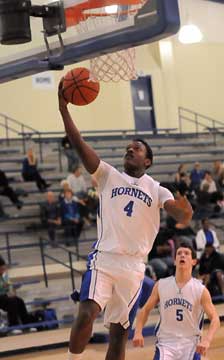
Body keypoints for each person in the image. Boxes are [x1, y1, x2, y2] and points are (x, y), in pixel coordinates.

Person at [58, 80, 193, 360]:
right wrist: (63, 109)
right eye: (128, 148)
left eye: (137, 149)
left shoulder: (157, 189)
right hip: (105, 258)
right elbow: (78, 143)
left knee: (119, 334)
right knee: (87, 314)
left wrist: (185, 212)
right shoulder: (107, 175)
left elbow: (178, 214)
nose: (130, 150)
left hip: (133, 266)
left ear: (148, 162)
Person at [133, 242, 220, 359]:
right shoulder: (161, 285)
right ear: (174, 261)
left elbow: (215, 319)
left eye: (186, 253)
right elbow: (145, 310)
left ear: (194, 262)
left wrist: (207, 341)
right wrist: (138, 332)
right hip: (166, 343)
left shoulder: (200, 290)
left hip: (191, 343)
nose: (182, 255)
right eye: (179, 253)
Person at [0, 256, 36, 334]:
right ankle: (13, 326)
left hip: (5, 296)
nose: (3, 270)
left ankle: (27, 325)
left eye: (4, 268)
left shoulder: (4, 275)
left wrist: (12, 290)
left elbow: (9, 286)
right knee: (11, 302)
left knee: (19, 301)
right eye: (1, 269)